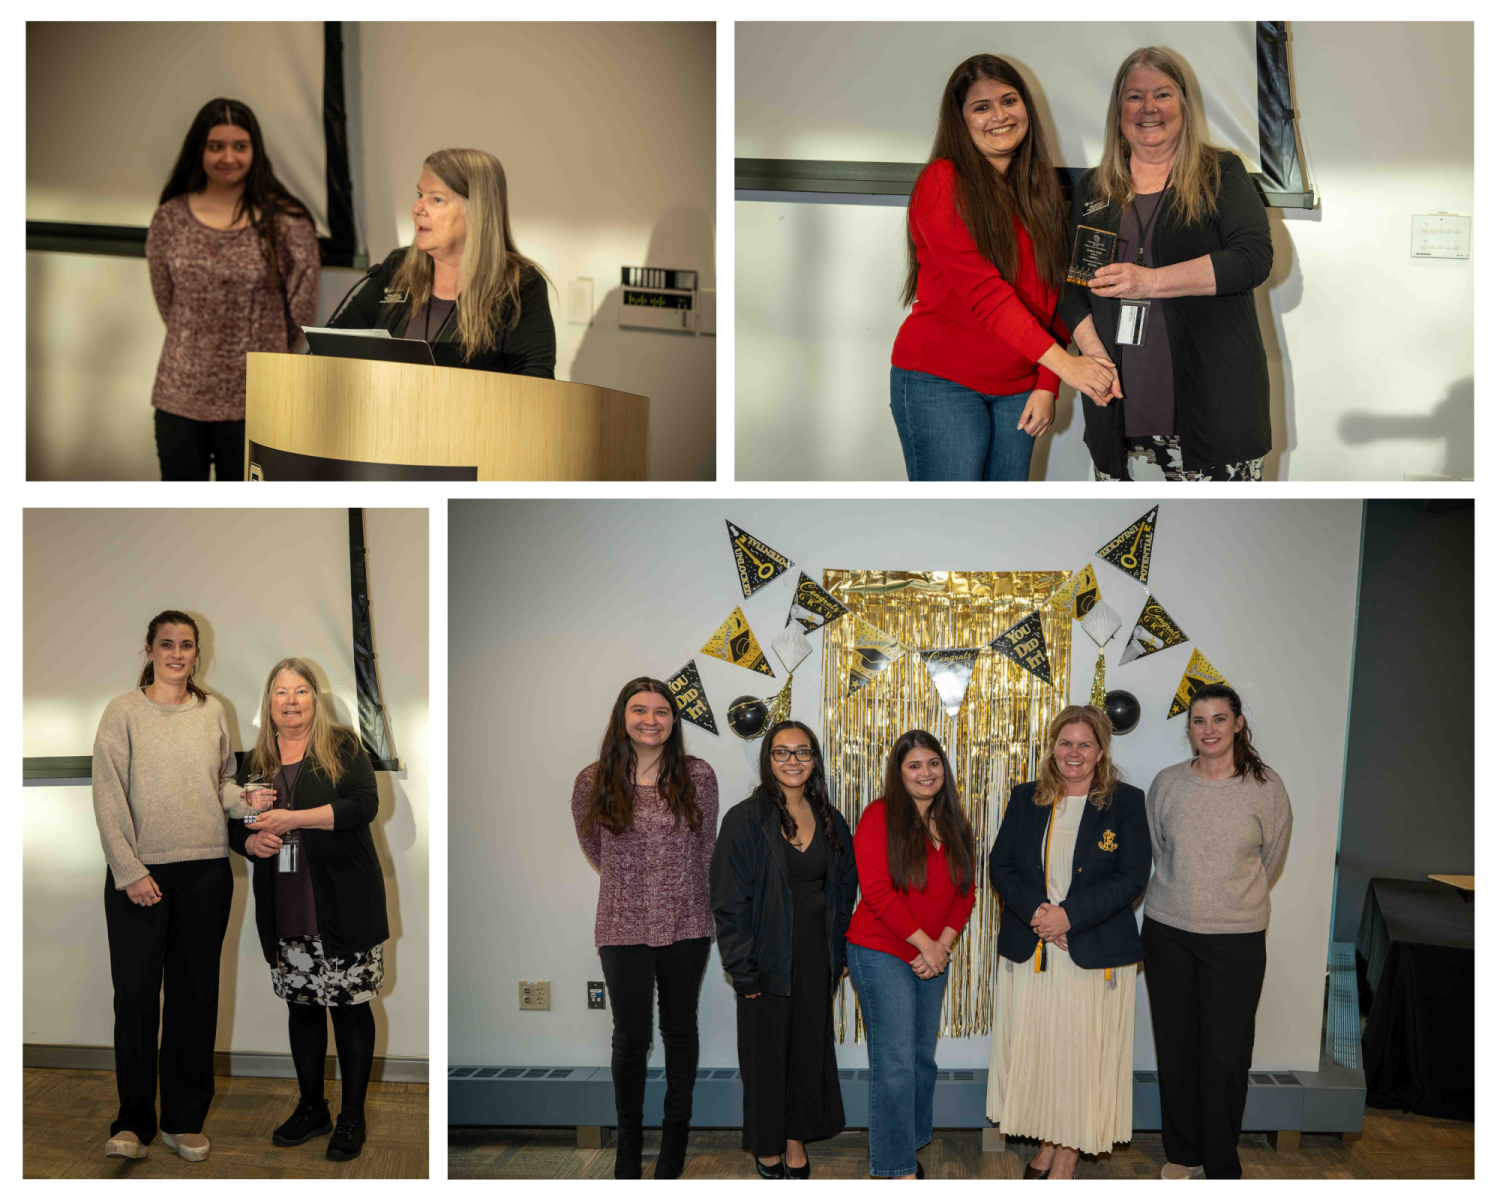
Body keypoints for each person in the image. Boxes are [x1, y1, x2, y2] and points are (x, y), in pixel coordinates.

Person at [890, 54, 1120, 481]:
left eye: (1009, 100)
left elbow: (1057, 289)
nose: (999, 115)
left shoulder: (1041, 188)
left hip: (1019, 389)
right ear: (960, 120)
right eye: (981, 107)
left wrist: (1047, 383)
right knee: (951, 524)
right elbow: (985, 293)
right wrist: (1067, 367)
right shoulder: (942, 181)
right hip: (940, 383)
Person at [91, 611, 260, 1162]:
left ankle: (183, 1121)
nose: (178, 654)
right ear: (149, 649)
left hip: (207, 872)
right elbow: (108, 795)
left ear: (197, 653)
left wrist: (246, 801)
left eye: (187, 645)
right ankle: (133, 1125)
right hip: (141, 874)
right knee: (136, 1000)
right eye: (167, 644)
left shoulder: (213, 711)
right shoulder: (122, 713)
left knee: (195, 1000)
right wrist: (130, 870)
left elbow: (222, 784)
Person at [1060, 47, 1275, 481]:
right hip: (1119, 414)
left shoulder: (1222, 173)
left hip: (1215, 419)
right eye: (1134, 97)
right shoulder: (1094, 188)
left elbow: (1252, 260)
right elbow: (1072, 286)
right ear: (1118, 110)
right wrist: (1094, 357)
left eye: (1162, 94)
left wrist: (1151, 282)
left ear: (1183, 105)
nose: (1149, 108)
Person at [226, 658, 388, 1163]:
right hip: (285, 904)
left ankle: (352, 1117)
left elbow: (365, 805)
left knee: (351, 1009)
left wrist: (296, 817)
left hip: (343, 903)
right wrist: (251, 845)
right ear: (268, 702)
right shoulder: (252, 760)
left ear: (315, 699)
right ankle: (312, 1108)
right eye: (280, 692)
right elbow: (237, 823)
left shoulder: (341, 746)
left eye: (300, 691)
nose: (290, 701)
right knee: (302, 1008)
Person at [985, 705, 1149, 1179]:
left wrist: (1069, 917)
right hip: (1033, 944)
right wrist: (1040, 913)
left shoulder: (1125, 802)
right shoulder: (1026, 798)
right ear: (1052, 748)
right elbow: (1002, 867)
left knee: (1081, 1055)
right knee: (1043, 1053)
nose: (1073, 753)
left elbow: (1131, 876)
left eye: (1084, 744)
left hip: (1092, 950)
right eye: (1065, 743)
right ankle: (1049, 1141)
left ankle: (1069, 1153)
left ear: (1100, 751)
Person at [1142, 684, 1292, 1179]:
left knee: (1226, 1053)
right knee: (1177, 1047)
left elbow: (1269, 861)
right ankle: (1183, 1154)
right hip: (1168, 931)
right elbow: (1162, 851)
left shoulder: (1266, 788)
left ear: (1238, 724)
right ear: (1189, 728)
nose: (1209, 729)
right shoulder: (1167, 783)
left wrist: (1229, 901)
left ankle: (1221, 1160)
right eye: (1199, 720)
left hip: (1237, 938)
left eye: (1219, 719)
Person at [571, 678, 719, 1179]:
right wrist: (633, 888)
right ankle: (628, 1146)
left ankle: (674, 1138)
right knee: (630, 1037)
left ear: (674, 721)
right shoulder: (592, 780)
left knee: (679, 1030)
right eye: (639, 710)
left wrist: (674, 891)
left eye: (661, 711)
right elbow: (595, 850)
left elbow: (706, 850)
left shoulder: (698, 776)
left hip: (688, 921)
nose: (650, 720)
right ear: (622, 716)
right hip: (620, 923)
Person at [710, 721, 858, 1179]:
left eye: (802, 752)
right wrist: (742, 967)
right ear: (767, 759)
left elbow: (846, 888)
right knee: (766, 1055)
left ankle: (796, 1138)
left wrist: (843, 951)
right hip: (765, 956)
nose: (792, 761)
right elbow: (728, 899)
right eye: (781, 752)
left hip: (818, 956)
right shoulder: (745, 818)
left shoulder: (831, 818)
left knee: (808, 1049)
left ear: (814, 760)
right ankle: (768, 1144)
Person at [147, 98, 320, 480]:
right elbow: (168, 303)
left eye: (240, 146)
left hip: (256, 402)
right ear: (200, 150)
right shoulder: (170, 219)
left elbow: (301, 312)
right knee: (182, 517)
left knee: (244, 518)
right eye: (216, 146)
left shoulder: (287, 223)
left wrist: (263, 361)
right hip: (179, 398)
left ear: (254, 151)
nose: (228, 157)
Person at [845, 730, 976, 1179]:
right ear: (899, 773)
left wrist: (943, 944)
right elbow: (877, 892)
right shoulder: (879, 816)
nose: (926, 773)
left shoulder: (956, 820)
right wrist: (928, 945)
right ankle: (895, 1167)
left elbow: (966, 893)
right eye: (914, 765)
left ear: (944, 768)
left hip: (932, 953)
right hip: (879, 949)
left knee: (922, 1056)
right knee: (896, 1060)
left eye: (933, 763)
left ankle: (912, 1139)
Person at [327, 148, 556, 376]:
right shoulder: (396, 266)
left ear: (477, 211)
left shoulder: (520, 284)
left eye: (436, 199)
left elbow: (535, 387)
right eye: (419, 195)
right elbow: (331, 348)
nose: (418, 209)